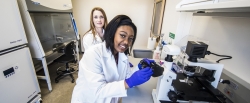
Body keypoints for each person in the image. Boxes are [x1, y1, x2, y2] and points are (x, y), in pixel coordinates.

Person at [71, 15, 153, 103]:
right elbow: (98, 90)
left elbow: (127, 77)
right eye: (122, 35)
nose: (126, 42)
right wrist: (128, 83)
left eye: (130, 38)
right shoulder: (93, 54)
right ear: (112, 33)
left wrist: (139, 67)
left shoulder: (122, 56)